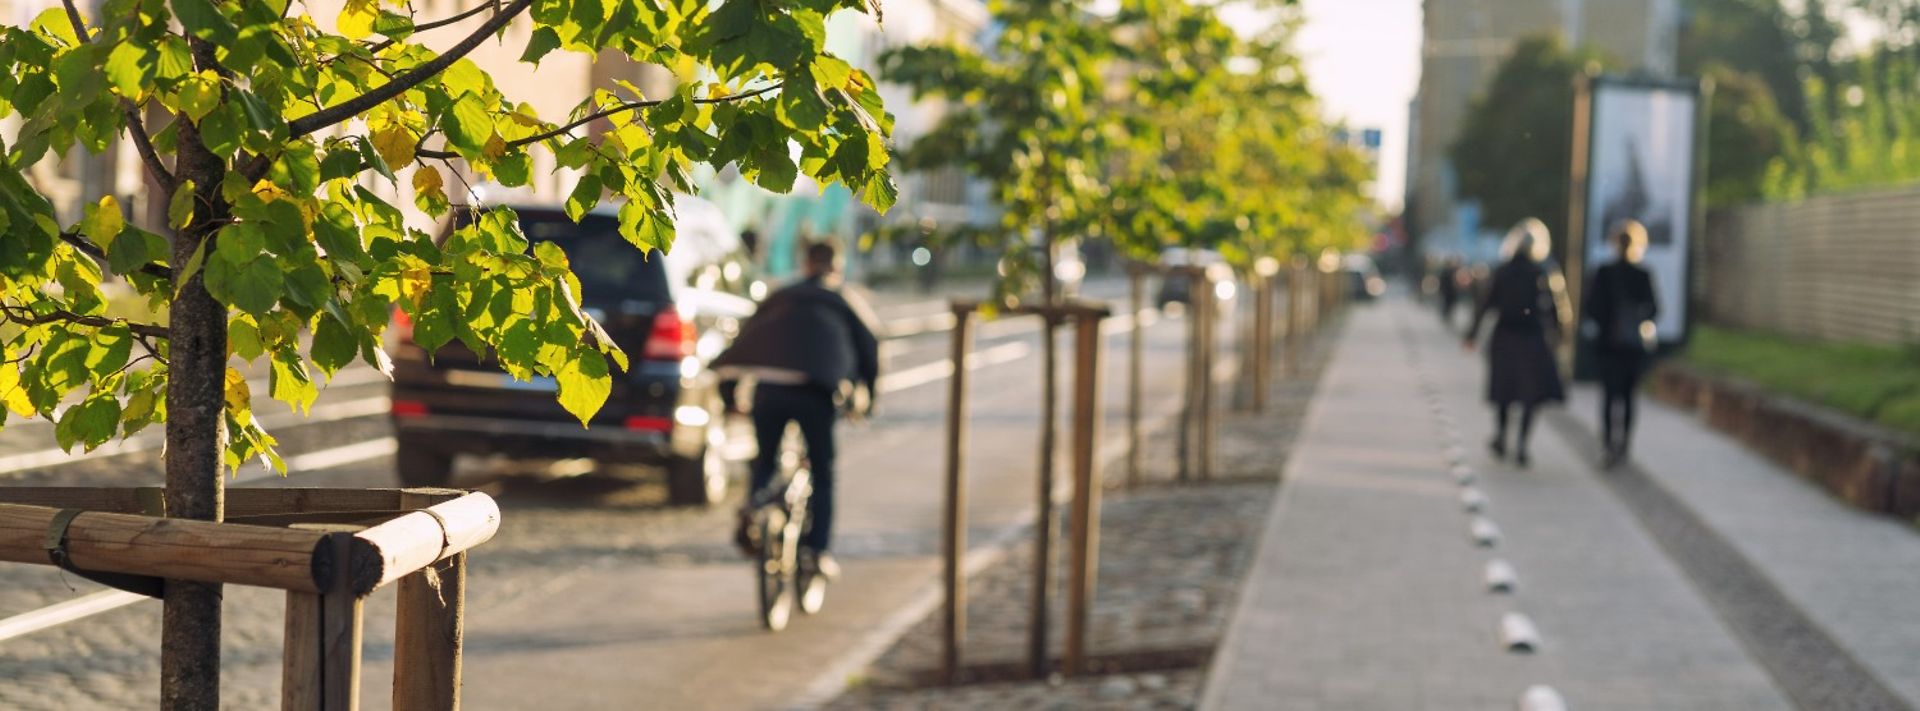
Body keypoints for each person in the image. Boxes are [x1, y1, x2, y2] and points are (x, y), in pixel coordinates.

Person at [713, 241, 880, 580]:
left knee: (765, 458)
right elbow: (870, 349)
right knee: (823, 472)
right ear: (837, 267)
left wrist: (731, 397)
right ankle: (818, 552)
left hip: (769, 389)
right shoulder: (843, 299)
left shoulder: (780, 296)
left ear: (805, 264)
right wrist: (868, 399)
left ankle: (756, 502)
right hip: (816, 392)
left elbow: (744, 341)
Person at [1463, 218, 1571, 468]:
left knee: (1504, 390)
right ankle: (1522, 443)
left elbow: (1486, 304)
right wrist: (1562, 337)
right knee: (1530, 395)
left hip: (1505, 336)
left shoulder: (1503, 271)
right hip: (1532, 337)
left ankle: (1501, 435)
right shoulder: (1544, 272)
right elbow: (1559, 309)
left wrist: (1472, 334)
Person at [1583, 220, 1659, 468]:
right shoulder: (1642, 274)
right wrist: (1635, 318)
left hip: (1609, 343)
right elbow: (1654, 309)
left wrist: (1609, 320)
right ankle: (1623, 445)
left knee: (1609, 397)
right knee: (1627, 398)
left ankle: (1608, 445)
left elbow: (1591, 308)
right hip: (1632, 345)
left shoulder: (1605, 272)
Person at [1437, 256, 1463, 327]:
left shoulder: (1458, 271)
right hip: (1447, 291)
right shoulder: (1447, 271)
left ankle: (1448, 316)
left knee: (1452, 305)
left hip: (1454, 292)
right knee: (1446, 303)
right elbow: (1442, 281)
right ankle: (1445, 315)